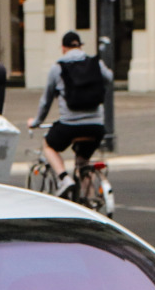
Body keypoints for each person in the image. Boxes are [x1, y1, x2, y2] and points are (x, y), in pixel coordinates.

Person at [27, 31, 113, 197]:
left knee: (48, 144)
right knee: (83, 162)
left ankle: (64, 178)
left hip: (70, 126)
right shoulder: (95, 63)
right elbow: (109, 78)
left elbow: (46, 101)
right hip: (96, 127)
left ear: (63, 48)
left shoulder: (57, 68)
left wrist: (36, 121)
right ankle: (91, 203)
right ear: (80, 46)